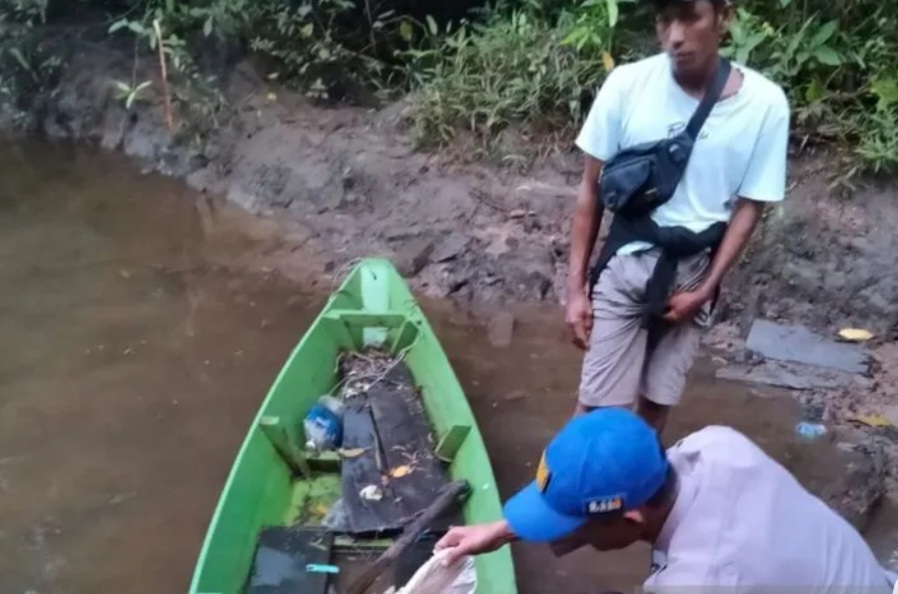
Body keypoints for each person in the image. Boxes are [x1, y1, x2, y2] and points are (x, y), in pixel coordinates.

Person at [565, 0, 791, 432]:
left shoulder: (765, 105)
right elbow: (590, 191)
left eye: (690, 18)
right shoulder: (627, 85)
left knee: (654, 409)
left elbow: (749, 208)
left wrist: (705, 290)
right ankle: (559, 495)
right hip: (626, 265)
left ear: (723, 18)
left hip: (693, 274)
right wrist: (575, 290)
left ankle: (636, 500)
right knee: (595, 414)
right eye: (666, 20)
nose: (675, 36)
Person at [435, 408, 895, 593]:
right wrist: (501, 530)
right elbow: (606, 491)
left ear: (632, 519)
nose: (572, 531)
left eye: (575, 524)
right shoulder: (716, 445)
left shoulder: (698, 579)